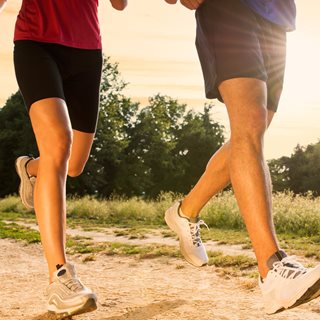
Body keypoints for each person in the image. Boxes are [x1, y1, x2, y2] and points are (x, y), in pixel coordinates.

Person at [164, 0, 320, 314]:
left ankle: (185, 211)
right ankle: (272, 269)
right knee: (248, 125)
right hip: (228, 8)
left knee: (253, 130)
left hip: (276, 17)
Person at [0, 0, 128, 318]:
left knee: (73, 164)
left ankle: (30, 167)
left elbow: (120, 4)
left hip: (86, 49)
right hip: (36, 43)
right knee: (60, 140)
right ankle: (60, 276)